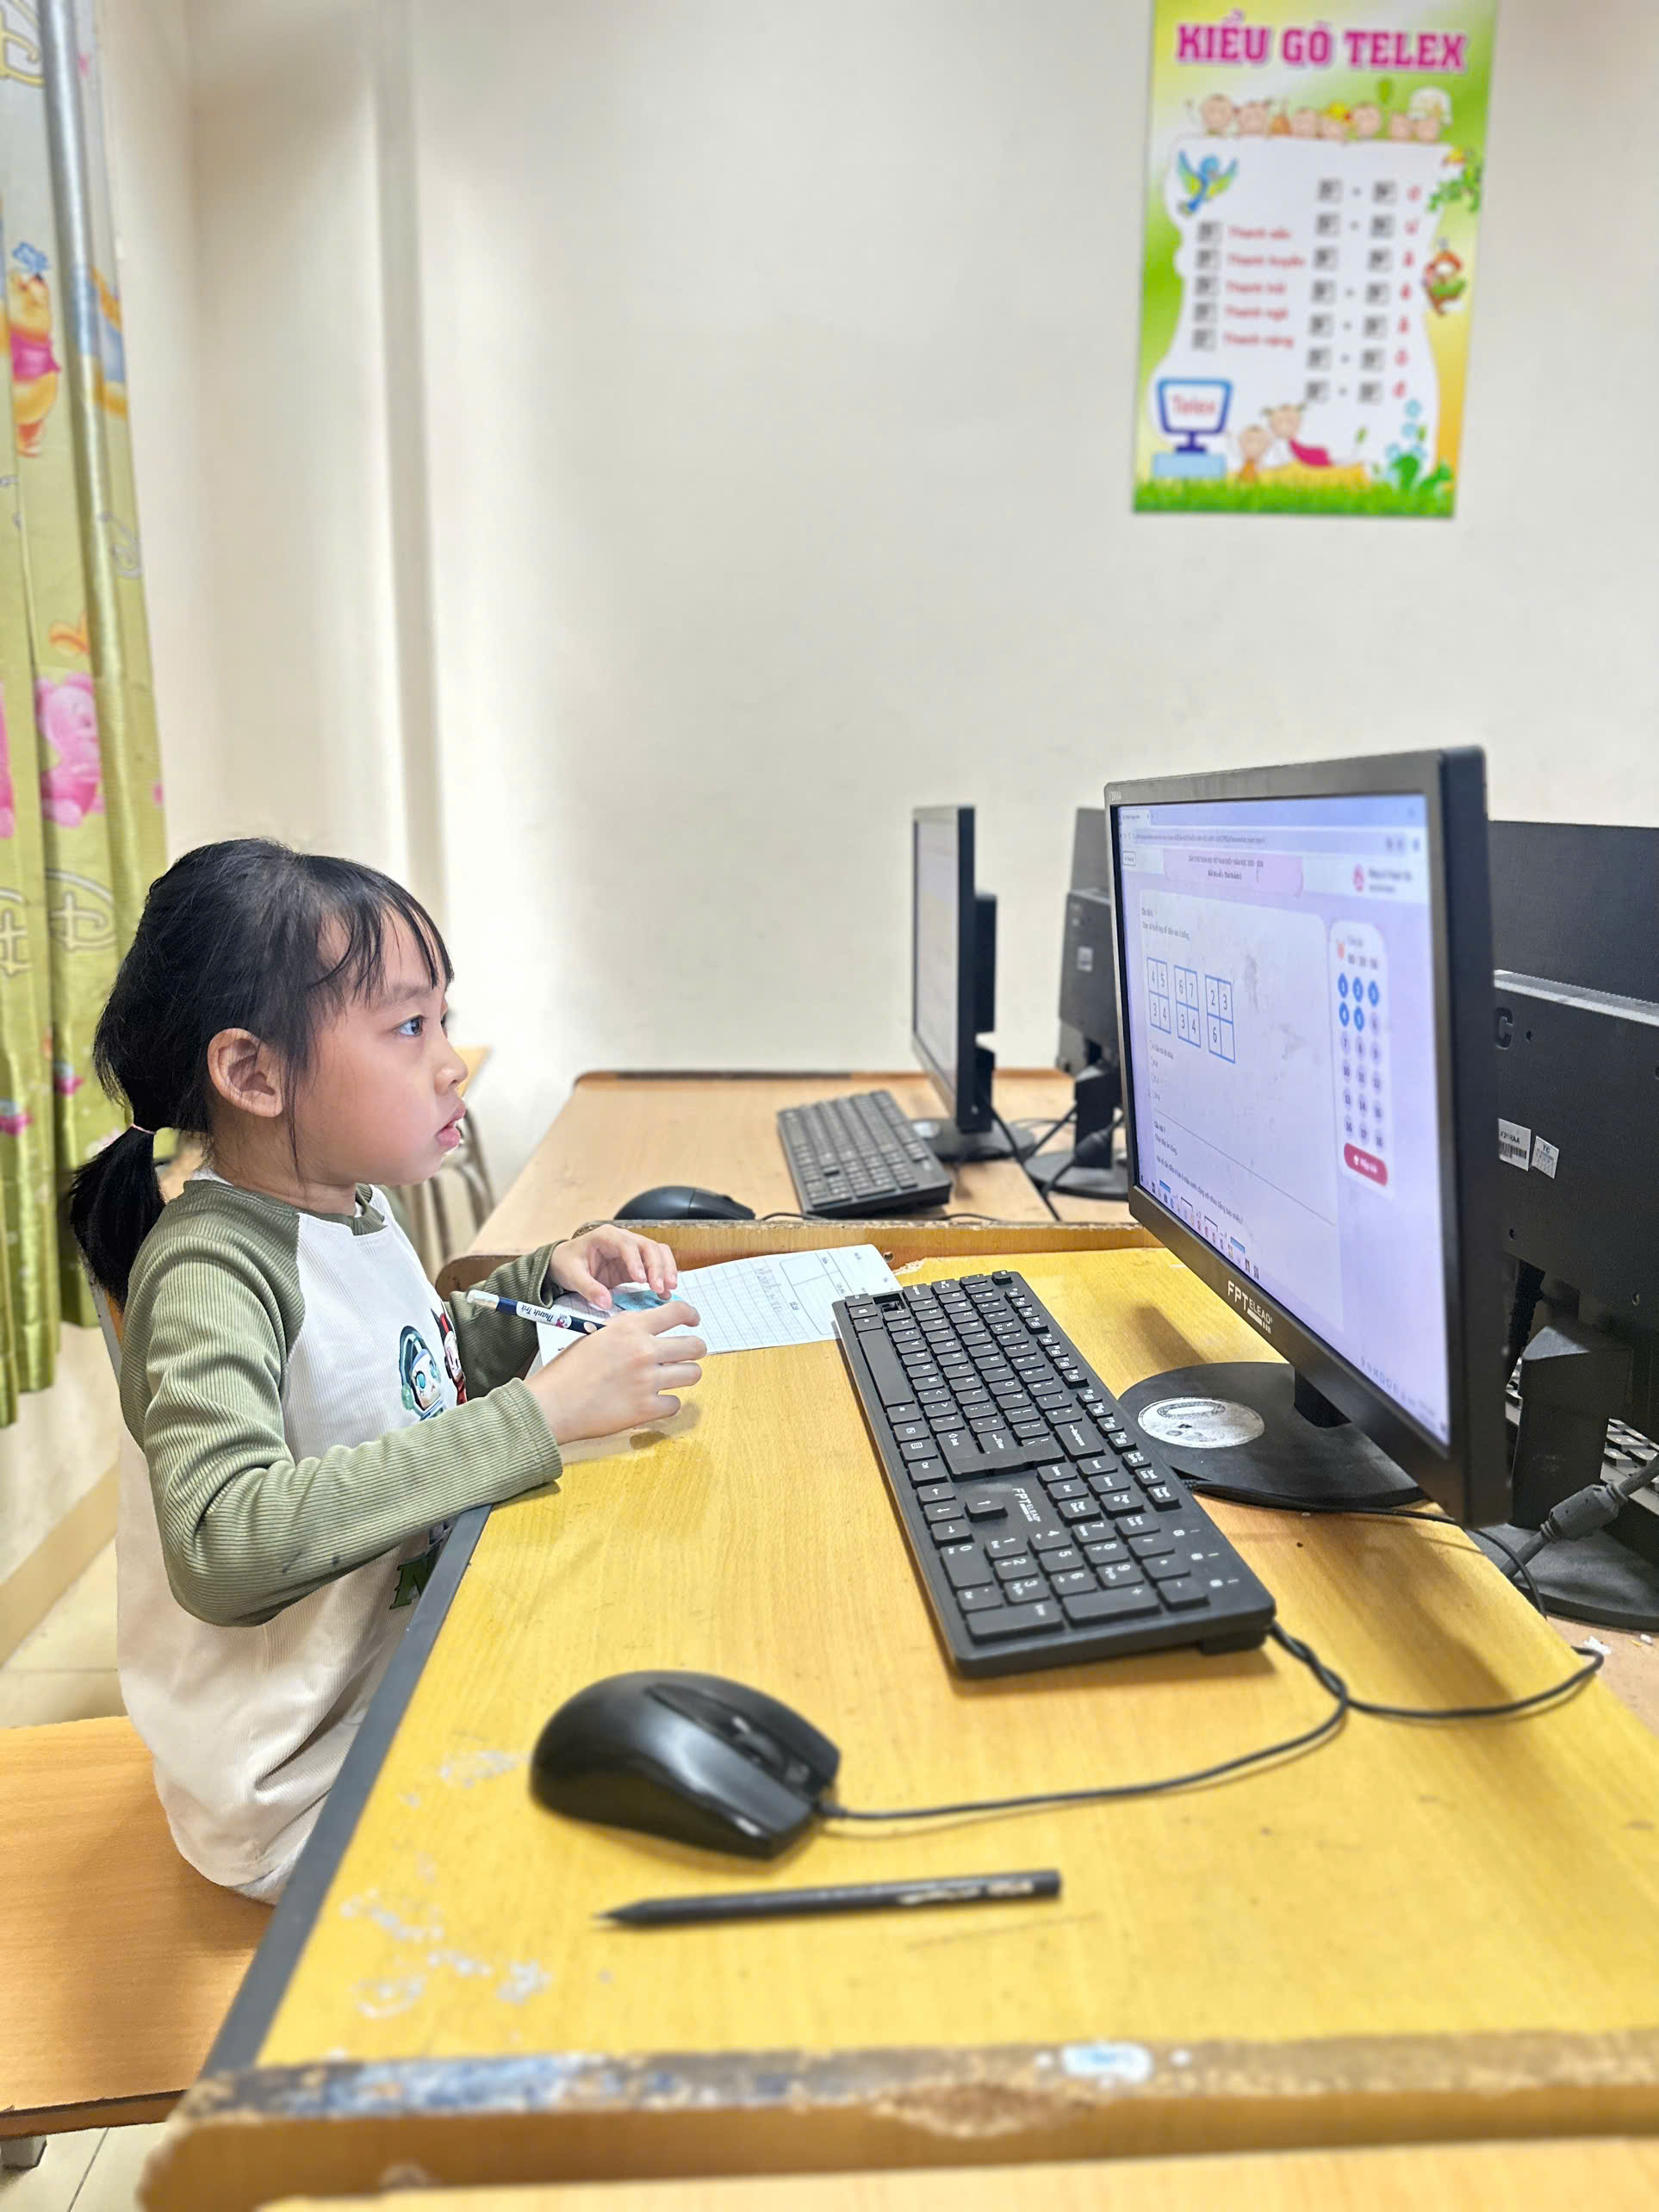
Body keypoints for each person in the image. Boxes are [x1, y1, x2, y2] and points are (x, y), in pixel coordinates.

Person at [67, 839, 706, 1902]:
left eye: (442, 1020)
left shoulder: (350, 1203)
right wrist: (537, 1419)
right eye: (409, 1028)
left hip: (396, 1675)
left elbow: (401, 1358)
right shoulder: (212, 1268)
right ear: (254, 1073)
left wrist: (548, 1283)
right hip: (303, 1781)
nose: (450, 1061)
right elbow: (223, 1545)